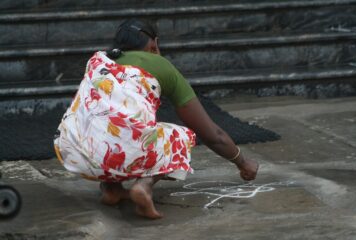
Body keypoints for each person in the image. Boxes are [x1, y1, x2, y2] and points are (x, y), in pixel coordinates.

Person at [54, 19, 259, 219]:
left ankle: (111, 189)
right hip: (113, 155)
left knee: (110, 126)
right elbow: (212, 134)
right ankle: (144, 186)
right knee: (179, 135)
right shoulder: (159, 64)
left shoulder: (99, 60)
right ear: (154, 44)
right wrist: (242, 162)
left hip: (71, 151)